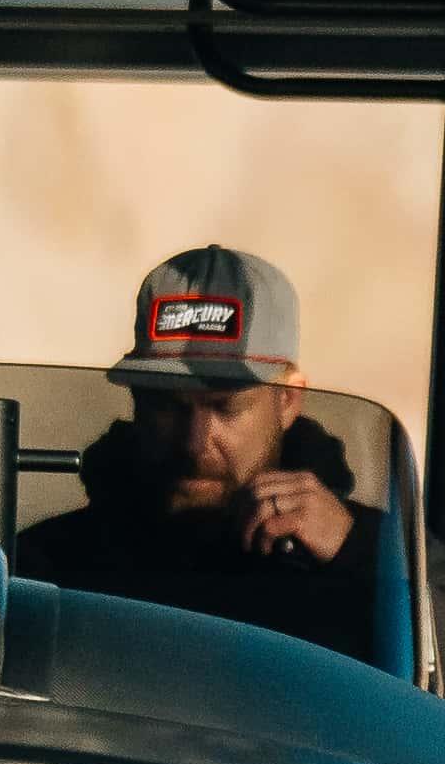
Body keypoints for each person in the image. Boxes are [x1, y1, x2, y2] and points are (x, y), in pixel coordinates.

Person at [23, 240, 399, 660]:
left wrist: (358, 552)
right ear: (136, 400)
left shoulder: (386, 562)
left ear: (288, 401)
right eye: (168, 406)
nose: (195, 443)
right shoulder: (47, 570)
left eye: (226, 406)